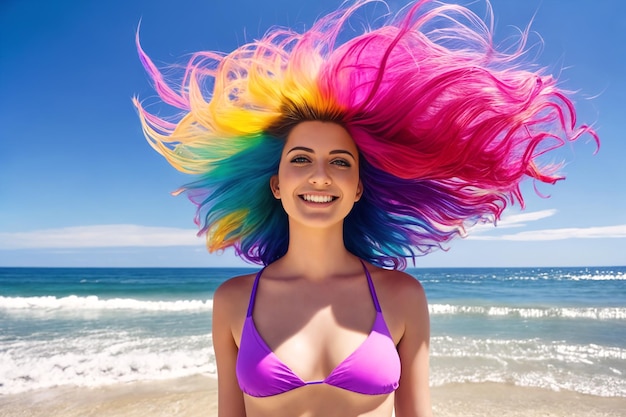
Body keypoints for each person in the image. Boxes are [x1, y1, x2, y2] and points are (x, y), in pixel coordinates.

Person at [134, 1, 597, 416]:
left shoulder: (401, 296)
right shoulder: (234, 301)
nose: (320, 176)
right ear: (276, 185)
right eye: (300, 160)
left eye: (340, 162)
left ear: (358, 188)